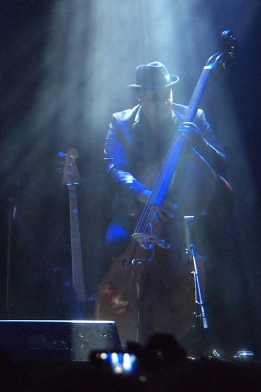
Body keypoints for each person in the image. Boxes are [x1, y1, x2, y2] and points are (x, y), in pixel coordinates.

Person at [97, 61, 231, 347]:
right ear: (140, 97)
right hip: (134, 213)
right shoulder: (120, 122)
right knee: (109, 244)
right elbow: (114, 167)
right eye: (155, 96)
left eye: (167, 94)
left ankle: (201, 339)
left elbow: (223, 164)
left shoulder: (193, 118)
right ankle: (113, 331)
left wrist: (198, 143)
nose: (164, 102)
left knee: (217, 256)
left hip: (180, 220)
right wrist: (146, 194)